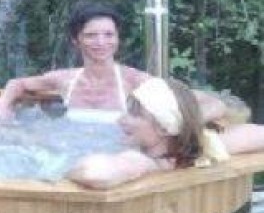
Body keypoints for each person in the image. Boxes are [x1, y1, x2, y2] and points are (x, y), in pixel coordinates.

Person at [0, 1, 225, 123]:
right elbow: (17, 84)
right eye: (91, 35)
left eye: (109, 35)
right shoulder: (65, 80)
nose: (101, 42)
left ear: (117, 38)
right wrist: (2, 106)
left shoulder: (135, 81)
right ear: (76, 41)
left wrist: (179, 127)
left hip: (116, 159)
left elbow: (213, 104)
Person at [68, 77, 264, 189]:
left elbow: (93, 173)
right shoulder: (204, 146)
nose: (121, 119)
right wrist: (190, 122)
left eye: (135, 114)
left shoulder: (147, 161)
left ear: (164, 128)